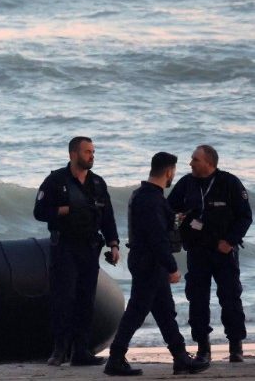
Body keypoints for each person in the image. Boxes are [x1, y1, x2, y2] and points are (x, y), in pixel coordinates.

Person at [104, 152, 210, 376]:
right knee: (137, 311)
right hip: (149, 263)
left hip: (146, 261)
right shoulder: (151, 199)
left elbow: (156, 230)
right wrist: (171, 267)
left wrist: (173, 218)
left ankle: (180, 357)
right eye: (174, 172)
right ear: (169, 171)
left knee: (164, 311)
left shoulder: (145, 196)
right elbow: (157, 238)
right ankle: (115, 357)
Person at [34, 136, 120, 366]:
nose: (92, 156)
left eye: (93, 151)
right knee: (64, 299)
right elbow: (39, 212)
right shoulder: (55, 180)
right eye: (87, 152)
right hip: (65, 247)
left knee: (86, 300)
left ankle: (81, 351)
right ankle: (60, 350)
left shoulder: (98, 184)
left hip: (90, 248)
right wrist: (61, 210)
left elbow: (108, 217)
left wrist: (114, 244)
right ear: (73, 154)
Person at [167, 145, 252, 362]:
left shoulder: (229, 183)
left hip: (223, 252)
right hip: (197, 251)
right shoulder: (186, 184)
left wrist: (230, 241)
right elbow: (168, 209)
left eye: (195, 159)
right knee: (197, 299)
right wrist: (176, 220)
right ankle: (203, 348)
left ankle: (236, 347)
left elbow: (245, 216)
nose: (191, 163)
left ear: (209, 163)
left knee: (230, 298)